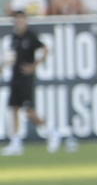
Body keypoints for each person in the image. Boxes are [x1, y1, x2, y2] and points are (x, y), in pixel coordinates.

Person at [2, 11, 62, 155]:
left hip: (26, 79)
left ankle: (52, 132)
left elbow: (46, 49)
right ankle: (16, 142)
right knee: (14, 108)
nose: (19, 23)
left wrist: (34, 66)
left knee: (29, 111)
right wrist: (4, 66)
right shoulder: (14, 37)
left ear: (26, 21)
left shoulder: (31, 36)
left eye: (21, 20)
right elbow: (12, 57)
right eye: (17, 20)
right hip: (15, 77)